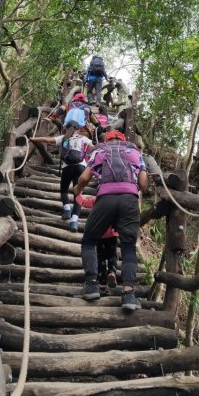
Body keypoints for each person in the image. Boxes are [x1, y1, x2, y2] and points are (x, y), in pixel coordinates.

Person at [74, 130, 147, 310]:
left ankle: (92, 285)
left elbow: (84, 177)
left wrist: (77, 190)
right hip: (129, 199)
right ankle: (129, 295)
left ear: (106, 140)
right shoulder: (134, 152)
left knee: (89, 240)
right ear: (124, 140)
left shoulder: (100, 151)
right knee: (129, 247)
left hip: (105, 198)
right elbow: (143, 185)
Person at [30, 128, 94, 232]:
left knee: (64, 191)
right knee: (78, 195)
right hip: (81, 167)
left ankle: (67, 210)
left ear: (67, 128)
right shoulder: (84, 138)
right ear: (78, 130)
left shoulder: (64, 138)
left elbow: (47, 140)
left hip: (67, 167)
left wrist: (33, 138)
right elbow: (93, 148)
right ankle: (74, 222)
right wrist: (87, 158)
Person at [76, 193, 118, 291]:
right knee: (112, 255)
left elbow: (84, 202)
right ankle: (112, 271)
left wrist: (78, 194)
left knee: (101, 257)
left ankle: (102, 282)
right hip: (113, 233)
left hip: (100, 233)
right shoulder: (116, 200)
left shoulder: (97, 199)